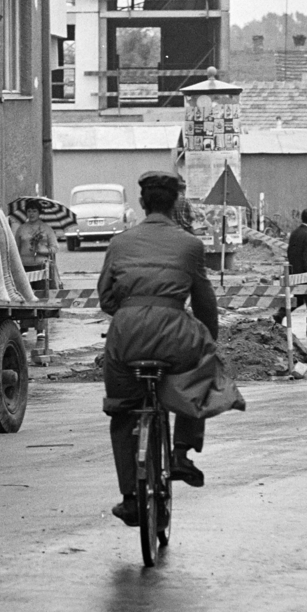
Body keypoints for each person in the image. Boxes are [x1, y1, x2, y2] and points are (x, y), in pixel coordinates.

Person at [98, 172, 220, 522]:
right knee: (198, 371)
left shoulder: (120, 243)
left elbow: (106, 296)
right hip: (173, 333)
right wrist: (209, 339)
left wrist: (131, 312)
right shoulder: (190, 245)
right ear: (175, 203)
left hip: (126, 335)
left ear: (141, 202)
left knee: (123, 410)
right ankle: (181, 452)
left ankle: (130, 498)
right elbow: (204, 301)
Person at [274, 208, 307, 337]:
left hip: (295, 272)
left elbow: (290, 252)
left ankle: (280, 314)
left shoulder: (294, 233)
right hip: (306, 274)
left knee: (299, 299)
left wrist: (294, 269)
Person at [14, 206, 58, 291]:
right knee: (25, 294)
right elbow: (15, 249)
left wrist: (43, 250)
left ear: (39, 213)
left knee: (43, 294)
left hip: (42, 268)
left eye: (34, 211)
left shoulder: (46, 228)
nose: (31, 214)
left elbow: (55, 248)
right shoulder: (21, 229)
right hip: (24, 268)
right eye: (29, 211)